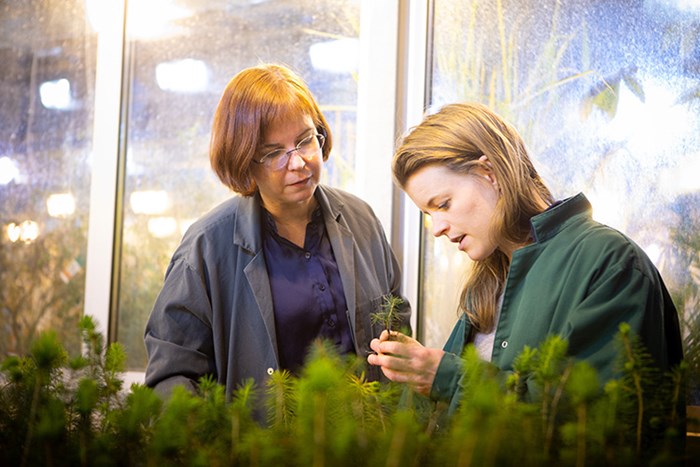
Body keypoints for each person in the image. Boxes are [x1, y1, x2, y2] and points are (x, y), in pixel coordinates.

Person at [367, 102, 683, 414]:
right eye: (428, 214)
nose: (436, 228)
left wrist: (445, 377)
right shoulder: (489, 282)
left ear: (488, 173)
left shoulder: (609, 263)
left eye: (444, 204)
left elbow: (590, 422)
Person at [144, 64, 410, 402]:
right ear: (243, 161)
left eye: (304, 140)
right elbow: (171, 375)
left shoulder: (361, 220)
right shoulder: (206, 248)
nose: (298, 162)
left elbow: (396, 320)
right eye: (273, 153)